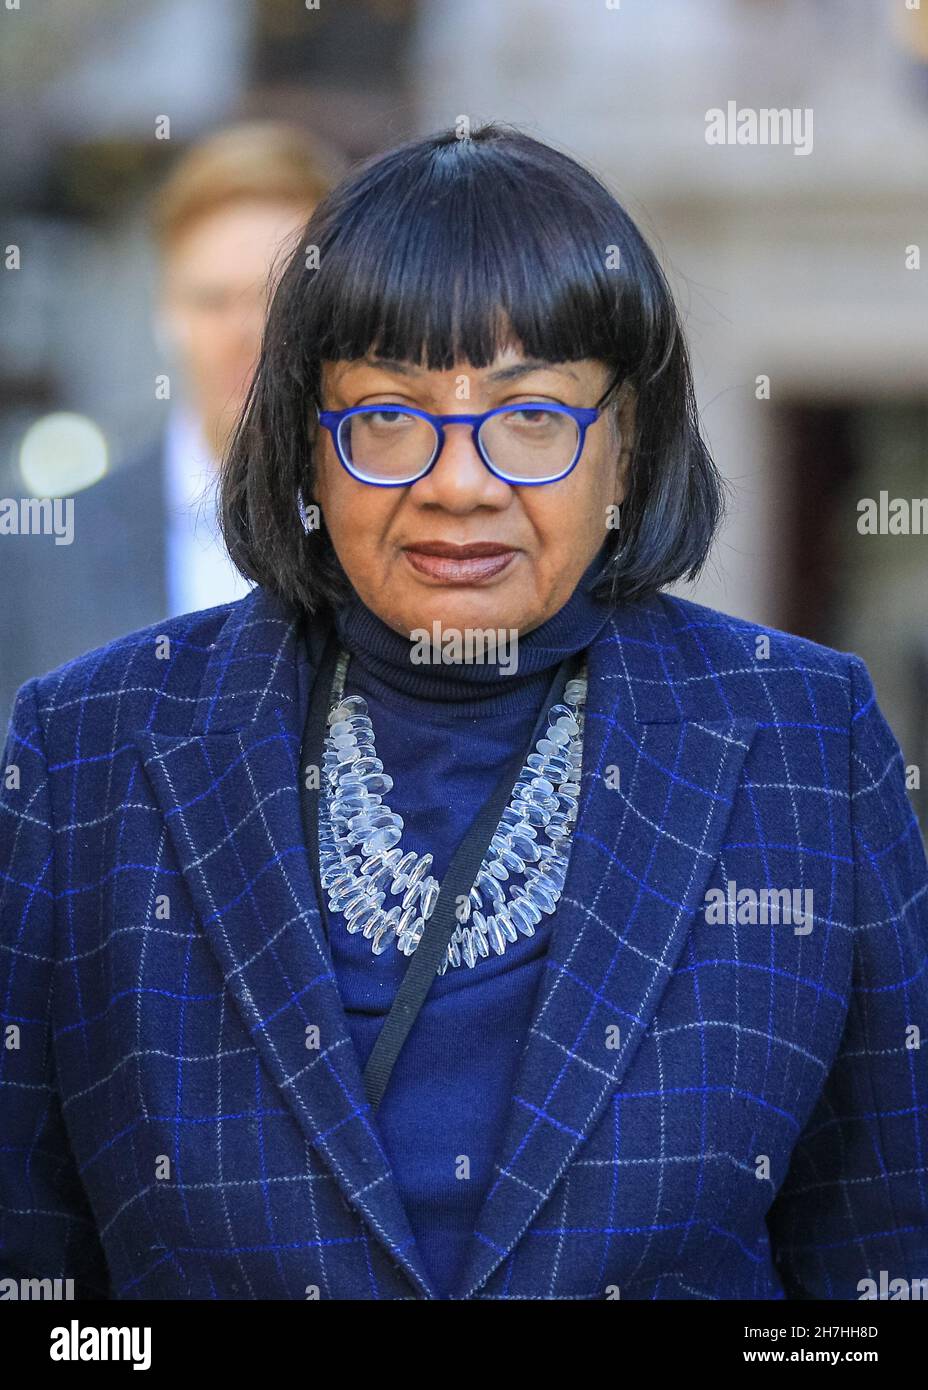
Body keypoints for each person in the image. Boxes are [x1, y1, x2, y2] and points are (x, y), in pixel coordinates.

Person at [1, 123, 926, 1303]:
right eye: (386, 414)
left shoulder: (805, 742)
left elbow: (885, 1265)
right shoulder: (92, 752)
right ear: (304, 445)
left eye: (532, 415)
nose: (459, 480)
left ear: (626, 445)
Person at [0, 121, 337, 734]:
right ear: (166, 314)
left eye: (275, 299)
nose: (247, 333)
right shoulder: (41, 557)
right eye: (213, 300)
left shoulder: (392, 537)